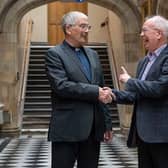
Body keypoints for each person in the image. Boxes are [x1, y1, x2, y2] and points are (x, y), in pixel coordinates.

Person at [45, 11, 113, 168]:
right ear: (68, 29)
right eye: (83, 26)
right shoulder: (54, 54)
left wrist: (107, 124)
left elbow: (102, 89)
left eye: (88, 26)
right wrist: (95, 92)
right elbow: (61, 86)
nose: (87, 30)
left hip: (93, 130)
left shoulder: (93, 54)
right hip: (67, 129)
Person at [106, 15, 168, 168]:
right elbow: (136, 95)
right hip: (143, 134)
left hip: (163, 135)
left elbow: (160, 88)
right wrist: (112, 95)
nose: (141, 35)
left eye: (144, 31)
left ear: (158, 34)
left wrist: (129, 80)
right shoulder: (144, 62)